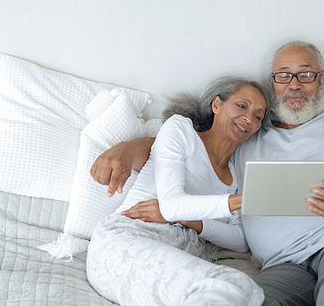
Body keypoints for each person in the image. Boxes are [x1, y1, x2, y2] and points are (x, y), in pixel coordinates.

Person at [90, 41, 324, 305]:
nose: (294, 84)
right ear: (273, 83)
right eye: (284, 76)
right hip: (284, 264)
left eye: (305, 74)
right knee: (246, 299)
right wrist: (129, 148)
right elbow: (192, 145)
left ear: (321, 80)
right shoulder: (249, 136)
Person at [86, 77, 269, 306]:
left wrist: (191, 221)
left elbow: (240, 240)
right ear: (216, 104)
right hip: (128, 238)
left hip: (177, 256)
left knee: (238, 289)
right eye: (242, 105)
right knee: (228, 286)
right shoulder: (180, 130)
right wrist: (240, 201)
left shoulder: (238, 175)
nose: (248, 117)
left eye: (258, 116)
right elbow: (171, 205)